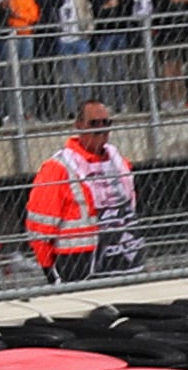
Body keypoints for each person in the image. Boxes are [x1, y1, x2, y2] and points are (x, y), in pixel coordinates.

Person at [25, 96, 137, 280]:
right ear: (79, 126)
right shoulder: (57, 168)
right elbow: (39, 231)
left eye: (106, 122)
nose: (101, 128)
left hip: (121, 255)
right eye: (94, 123)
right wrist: (50, 272)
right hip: (77, 262)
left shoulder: (119, 163)